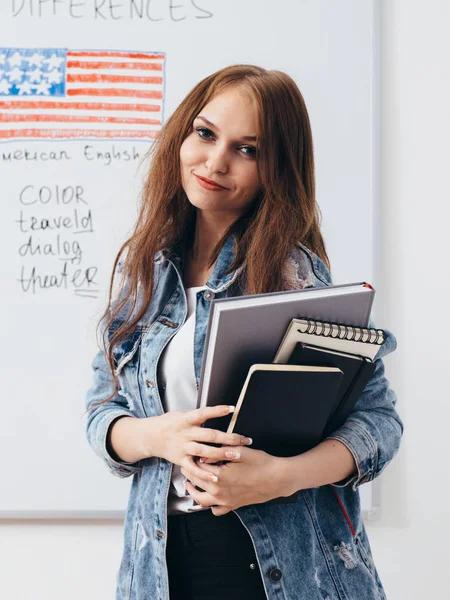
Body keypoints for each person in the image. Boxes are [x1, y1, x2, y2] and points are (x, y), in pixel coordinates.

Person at [84, 64, 403, 600]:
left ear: (276, 168)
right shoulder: (144, 272)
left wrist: (282, 476)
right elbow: (101, 414)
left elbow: (379, 424)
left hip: (279, 566)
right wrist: (159, 436)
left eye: (247, 150)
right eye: (205, 134)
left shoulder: (288, 274)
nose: (215, 161)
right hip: (162, 566)